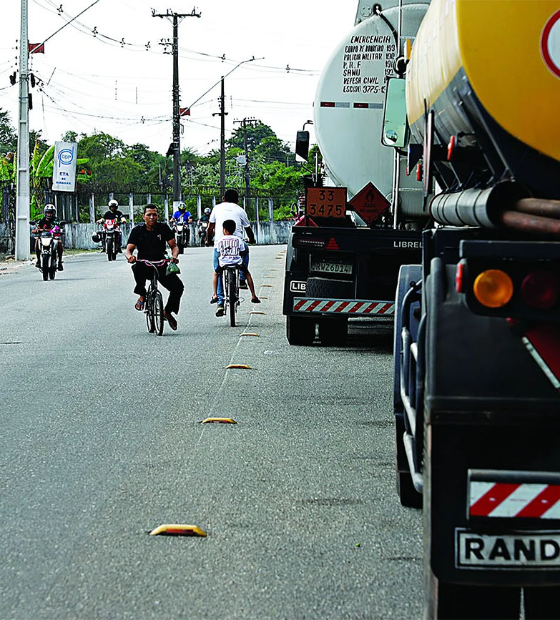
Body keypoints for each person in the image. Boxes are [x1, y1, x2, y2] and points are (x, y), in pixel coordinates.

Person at [125, 204, 183, 331]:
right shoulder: (137, 231)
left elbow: (174, 246)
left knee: (178, 287)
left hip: (161, 264)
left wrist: (174, 256)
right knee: (136, 268)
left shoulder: (163, 228)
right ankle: (142, 294)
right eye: (149, 215)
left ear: (158, 216)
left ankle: (167, 311)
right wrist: (130, 257)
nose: (152, 217)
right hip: (144, 264)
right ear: (143, 217)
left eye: (154, 214)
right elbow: (129, 250)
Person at [206, 189, 256, 315]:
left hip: (219, 244)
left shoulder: (216, 208)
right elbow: (248, 229)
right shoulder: (240, 210)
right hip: (238, 243)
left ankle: (220, 302)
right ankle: (241, 278)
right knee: (245, 251)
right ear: (237, 200)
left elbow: (210, 228)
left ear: (223, 198)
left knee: (217, 270)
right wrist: (252, 239)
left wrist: (208, 241)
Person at [212, 219, 260, 315]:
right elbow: (242, 251)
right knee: (247, 273)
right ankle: (253, 295)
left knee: (216, 274)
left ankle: (215, 295)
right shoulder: (238, 240)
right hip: (237, 263)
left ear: (224, 230)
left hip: (224, 264)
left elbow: (219, 252)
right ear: (234, 230)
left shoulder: (220, 240)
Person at [32, 204, 64, 270]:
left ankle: (60, 262)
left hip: (53, 236)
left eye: (51, 213)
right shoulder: (41, 220)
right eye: (48, 213)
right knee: (37, 241)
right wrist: (37, 230)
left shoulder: (56, 220)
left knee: (60, 242)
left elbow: (57, 227)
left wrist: (53, 231)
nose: (49, 214)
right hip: (43, 236)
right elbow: (37, 227)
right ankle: (38, 260)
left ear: (53, 213)